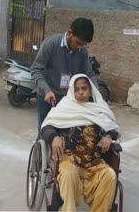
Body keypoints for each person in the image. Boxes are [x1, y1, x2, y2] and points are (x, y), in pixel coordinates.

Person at [40, 74, 120, 212]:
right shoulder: (65, 107)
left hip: (93, 161)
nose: (81, 92)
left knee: (110, 175)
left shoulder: (99, 109)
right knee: (68, 173)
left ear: (90, 90)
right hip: (70, 158)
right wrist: (54, 137)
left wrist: (108, 136)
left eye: (84, 88)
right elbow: (47, 126)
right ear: (72, 91)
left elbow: (112, 128)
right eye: (77, 89)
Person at [31, 18, 98, 140]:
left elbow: (89, 73)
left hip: (68, 99)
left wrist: (97, 96)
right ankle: (38, 158)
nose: (79, 47)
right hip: (47, 97)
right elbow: (36, 70)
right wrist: (46, 90)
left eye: (83, 45)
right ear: (69, 33)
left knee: (67, 134)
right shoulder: (50, 44)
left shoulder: (82, 50)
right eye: (78, 43)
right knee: (45, 132)